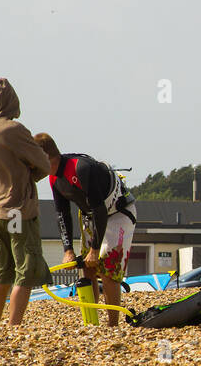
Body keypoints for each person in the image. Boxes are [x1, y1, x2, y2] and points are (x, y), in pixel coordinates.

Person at [33, 133, 136, 327]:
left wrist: (95, 250)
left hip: (117, 213)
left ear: (46, 157)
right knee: (87, 269)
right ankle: (92, 323)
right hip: (91, 215)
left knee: (108, 270)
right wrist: (68, 250)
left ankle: (112, 325)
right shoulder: (54, 178)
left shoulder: (81, 168)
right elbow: (62, 214)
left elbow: (100, 210)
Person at [0, 78, 52, 326]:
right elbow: (45, 164)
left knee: (4, 271)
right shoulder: (14, 130)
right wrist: (30, 176)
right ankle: (14, 326)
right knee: (26, 270)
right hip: (17, 211)